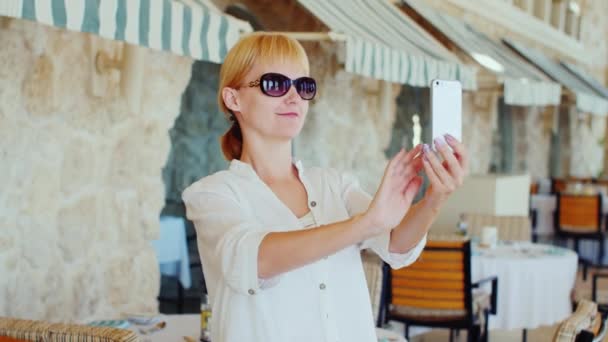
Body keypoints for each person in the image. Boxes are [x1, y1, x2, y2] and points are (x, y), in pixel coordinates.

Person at [182, 32, 468, 342]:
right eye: (275, 84)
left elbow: (396, 244)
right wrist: (365, 224)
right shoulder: (212, 195)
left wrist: (435, 199)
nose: (294, 97)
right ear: (233, 98)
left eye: (303, 86)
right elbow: (255, 260)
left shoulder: (333, 184)